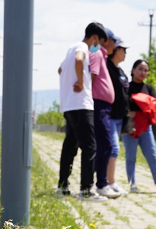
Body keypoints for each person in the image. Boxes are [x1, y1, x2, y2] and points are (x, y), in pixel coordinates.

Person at [58, 22, 110, 202]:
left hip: (69, 105)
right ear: (94, 38)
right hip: (81, 104)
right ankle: (86, 189)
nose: (99, 48)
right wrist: (80, 82)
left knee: (70, 146)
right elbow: (80, 59)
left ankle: (62, 186)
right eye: (100, 43)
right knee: (90, 147)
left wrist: (70, 84)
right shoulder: (82, 48)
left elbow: (60, 69)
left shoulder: (70, 48)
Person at [123, 59, 156, 194]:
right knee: (131, 156)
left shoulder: (149, 88)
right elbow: (125, 105)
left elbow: (154, 104)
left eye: (145, 70)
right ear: (133, 70)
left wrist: (138, 105)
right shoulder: (126, 87)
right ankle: (131, 183)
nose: (142, 72)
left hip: (146, 127)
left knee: (152, 155)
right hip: (130, 127)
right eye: (140, 69)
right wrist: (141, 104)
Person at [90, 29, 121, 198]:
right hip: (99, 104)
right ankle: (101, 184)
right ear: (107, 40)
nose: (116, 45)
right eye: (114, 41)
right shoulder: (96, 52)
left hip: (104, 106)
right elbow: (92, 76)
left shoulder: (102, 54)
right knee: (105, 144)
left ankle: (101, 183)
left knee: (104, 144)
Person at [106, 42, 129, 196]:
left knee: (112, 149)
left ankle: (109, 181)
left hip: (120, 117)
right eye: (123, 49)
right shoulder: (107, 67)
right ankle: (110, 182)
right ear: (116, 50)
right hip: (110, 115)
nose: (125, 52)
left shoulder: (120, 70)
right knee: (113, 148)